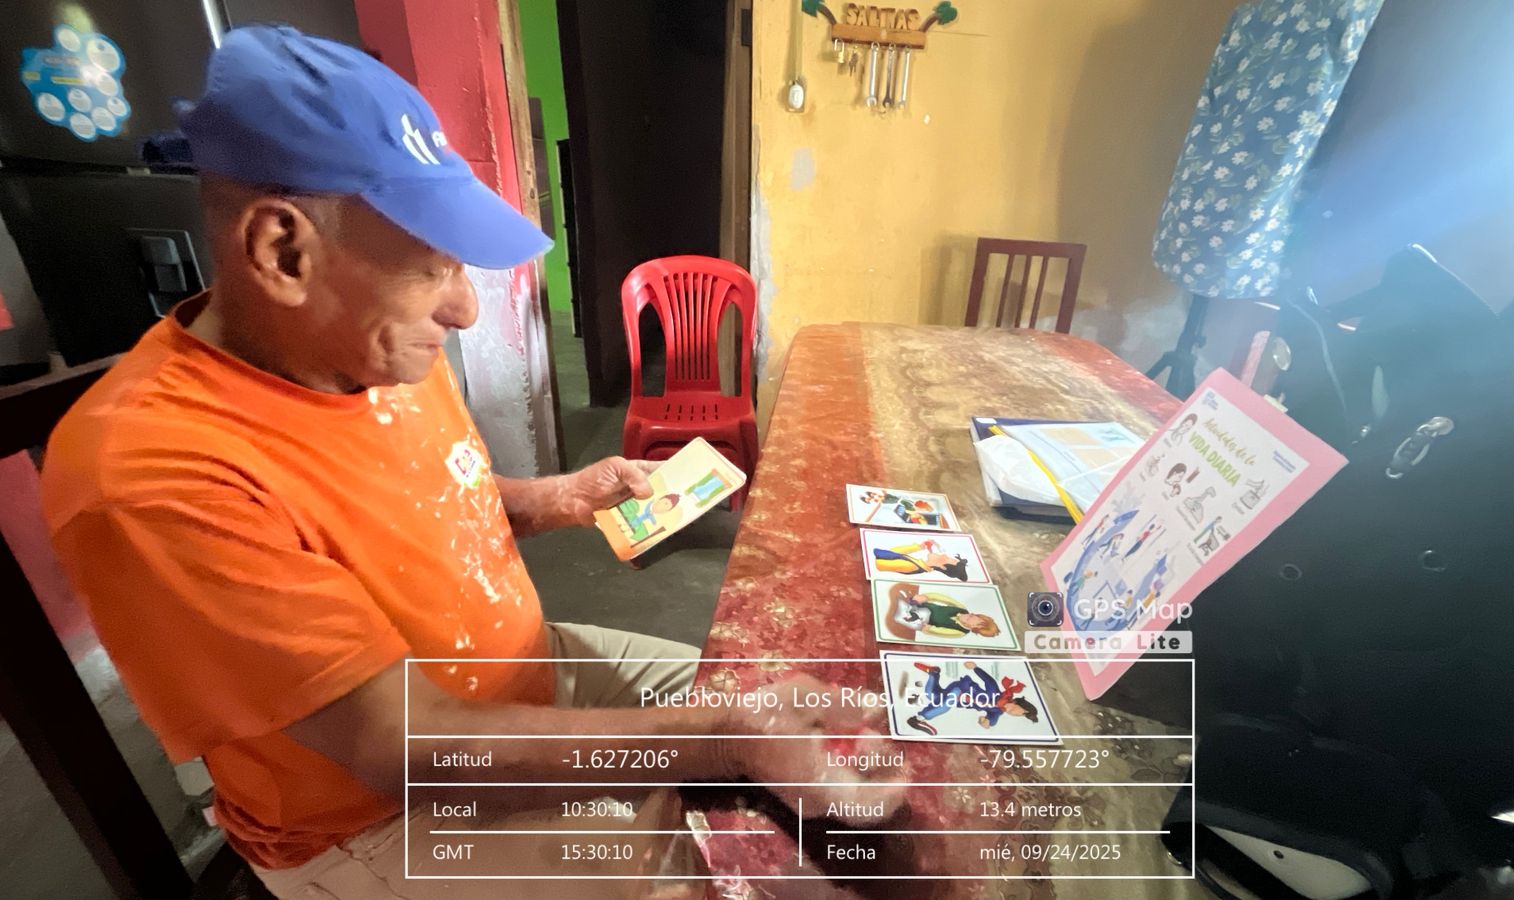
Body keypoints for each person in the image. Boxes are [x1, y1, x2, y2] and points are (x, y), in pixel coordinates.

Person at [39, 27, 900, 898]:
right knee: (737, 874)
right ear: (283, 251)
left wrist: (559, 496)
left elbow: (425, 497)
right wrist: (719, 742)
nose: (463, 310)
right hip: (384, 812)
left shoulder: (364, 345)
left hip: (526, 672)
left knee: (782, 698)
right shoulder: (152, 472)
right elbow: (397, 746)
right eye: (434, 268)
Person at [904, 661, 1039, 735]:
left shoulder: (997, 711)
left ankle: (934, 673)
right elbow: (989, 681)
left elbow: (991, 720)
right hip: (962, 689)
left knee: (932, 695)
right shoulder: (996, 695)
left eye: (1018, 715)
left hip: (959, 699)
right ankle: (918, 719)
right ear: (1017, 703)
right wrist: (975, 668)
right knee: (944, 706)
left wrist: (986, 723)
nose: (1015, 714)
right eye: (1019, 711)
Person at [873, 538, 970, 580]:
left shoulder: (912, 566)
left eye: (950, 559)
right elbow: (893, 553)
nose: (945, 555)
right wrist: (919, 547)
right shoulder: (918, 564)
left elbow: (880, 563)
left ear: (942, 567)